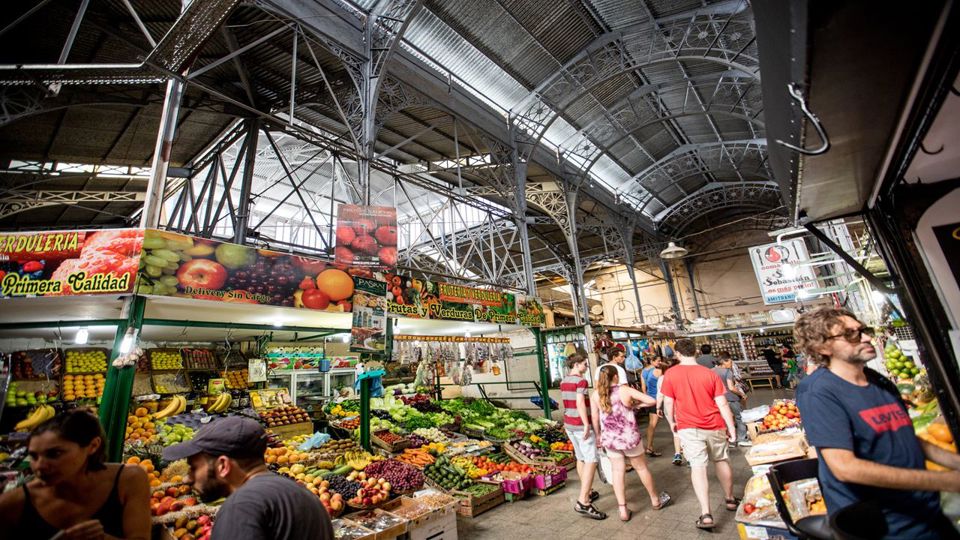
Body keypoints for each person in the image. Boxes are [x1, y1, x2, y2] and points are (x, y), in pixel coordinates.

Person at [794, 307, 960, 539]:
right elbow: (844, 467)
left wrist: (956, 463)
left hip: (924, 511)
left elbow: (907, 438)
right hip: (879, 523)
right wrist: (946, 481)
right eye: (851, 335)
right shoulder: (818, 392)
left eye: (863, 330)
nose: (867, 338)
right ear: (822, 347)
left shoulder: (880, 382)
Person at [163, 416, 333, 540]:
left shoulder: (241, 507)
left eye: (194, 467)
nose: (187, 479)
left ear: (223, 465)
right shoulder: (303, 494)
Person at [0, 409, 151, 540]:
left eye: (54, 454)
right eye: (34, 456)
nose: (39, 465)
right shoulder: (13, 503)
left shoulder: (129, 479)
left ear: (93, 446)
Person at [660, 338, 738, 531]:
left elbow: (668, 404)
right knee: (721, 460)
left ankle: (706, 514)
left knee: (698, 467)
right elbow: (722, 403)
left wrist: (672, 423)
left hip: (688, 427)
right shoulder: (709, 373)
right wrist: (732, 427)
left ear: (677, 354)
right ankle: (730, 499)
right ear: (695, 352)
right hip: (715, 425)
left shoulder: (671, 374)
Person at [591, 366, 671, 522]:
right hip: (629, 438)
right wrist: (635, 405)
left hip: (610, 440)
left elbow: (595, 417)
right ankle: (655, 500)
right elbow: (651, 400)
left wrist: (598, 435)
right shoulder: (624, 390)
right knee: (641, 467)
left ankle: (623, 510)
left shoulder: (596, 394)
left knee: (617, 471)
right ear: (615, 377)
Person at [560, 354, 605, 520]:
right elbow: (579, 402)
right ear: (577, 364)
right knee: (592, 459)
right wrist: (587, 424)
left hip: (568, 424)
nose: (586, 367)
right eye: (585, 364)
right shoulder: (581, 381)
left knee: (581, 458)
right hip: (580, 425)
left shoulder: (564, 380)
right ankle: (583, 501)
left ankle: (588, 491)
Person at [713, 352, 751, 447]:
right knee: (739, 417)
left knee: (724, 419)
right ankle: (742, 438)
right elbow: (731, 387)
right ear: (724, 361)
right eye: (730, 361)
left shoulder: (711, 371)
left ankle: (729, 440)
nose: (731, 364)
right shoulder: (727, 372)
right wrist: (741, 394)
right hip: (731, 398)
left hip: (718, 399)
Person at [655, 358, 685, 466]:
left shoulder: (662, 379)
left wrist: (658, 407)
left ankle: (677, 453)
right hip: (683, 407)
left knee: (675, 431)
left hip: (670, 409)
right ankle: (689, 455)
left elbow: (660, 395)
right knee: (686, 431)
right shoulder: (682, 376)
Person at [640, 356, 664, 457]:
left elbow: (643, 387)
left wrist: (646, 398)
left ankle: (649, 446)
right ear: (652, 361)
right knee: (653, 424)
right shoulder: (656, 371)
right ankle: (649, 447)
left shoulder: (644, 371)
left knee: (651, 423)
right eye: (658, 361)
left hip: (649, 398)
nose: (660, 362)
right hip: (656, 399)